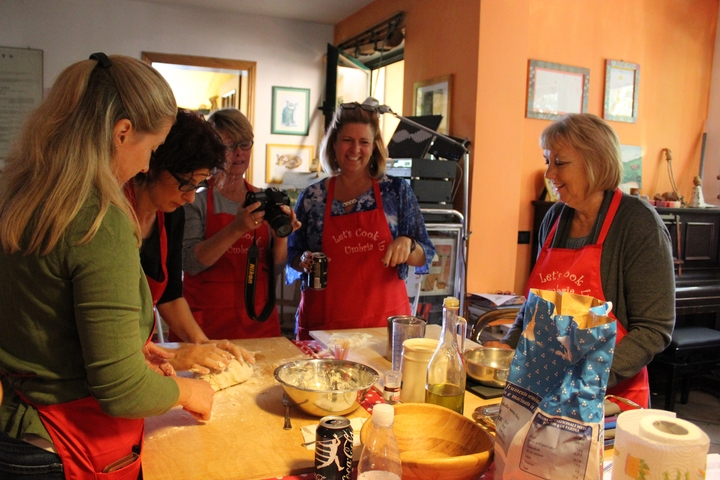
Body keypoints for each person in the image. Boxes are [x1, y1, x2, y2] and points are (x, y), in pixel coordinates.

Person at [0, 53, 214, 479]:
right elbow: (122, 392)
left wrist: (128, 348)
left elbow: (46, 323)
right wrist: (190, 391)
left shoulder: (21, 192)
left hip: (16, 430)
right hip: (64, 448)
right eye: (151, 149)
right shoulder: (99, 219)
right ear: (121, 133)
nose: (147, 166)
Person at [485, 113, 675, 409]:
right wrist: (508, 345)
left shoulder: (638, 224)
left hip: (607, 402)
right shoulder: (554, 219)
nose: (549, 173)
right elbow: (534, 308)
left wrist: (586, 378)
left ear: (596, 163)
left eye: (559, 163)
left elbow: (653, 330)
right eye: (547, 161)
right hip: (542, 392)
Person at [287, 101, 435, 340]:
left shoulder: (396, 192)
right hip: (323, 328)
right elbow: (291, 255)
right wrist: (302, 259)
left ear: (374, 147)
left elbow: (425, 254)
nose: (355, 149)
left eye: (364, 142)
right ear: (333, 143)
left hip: (382, 327)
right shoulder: (312, 198)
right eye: (347, 140)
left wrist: (408, 243)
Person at [128, 108, 255, 374]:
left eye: (197, 185)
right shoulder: (115, 215)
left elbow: (171, 296)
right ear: (153, 166)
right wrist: (175, 356)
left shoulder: (170, 215)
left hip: (135, 356)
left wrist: (204, 344)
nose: (189, 197)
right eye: (187, 183)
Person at [182, 108, 300, 339]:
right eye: (228, 145)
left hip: (258, 321)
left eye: (245, 144)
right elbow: (190, 263)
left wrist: (281, 237)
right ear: (212, 147)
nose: (238, 153)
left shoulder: (262, 199)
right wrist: (237, 228)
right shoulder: (193, 199)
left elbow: (273, 270)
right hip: (206, 327)